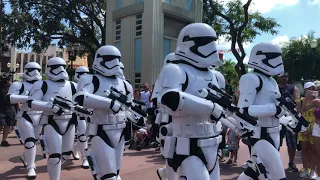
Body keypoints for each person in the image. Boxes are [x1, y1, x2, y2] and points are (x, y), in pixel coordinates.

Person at [155, 23, 249, 180]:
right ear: (188, 43)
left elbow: (223, 110)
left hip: (212, 144)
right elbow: (170, 99)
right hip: (187, 144)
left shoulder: (216, 76)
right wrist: (210, 108)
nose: (211, 47)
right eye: (205, 42)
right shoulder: (175, 70)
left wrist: (238, 124)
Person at [73, 45, 141, 180]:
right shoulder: (91, 80)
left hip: (120, 132)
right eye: (110, 59)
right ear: (100, 60)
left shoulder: (125, 85)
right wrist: (109, 104)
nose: (114, 62)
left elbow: (128, 108)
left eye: (117, 59)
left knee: (115, 174)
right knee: (109, 176)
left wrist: (137, 118)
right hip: (101, 130)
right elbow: (81, 97)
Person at [237, 42, 287, 180]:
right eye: (274, 57)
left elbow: (277, 107)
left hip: (274, 131)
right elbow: (244, 111)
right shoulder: (251, 78)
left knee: (255, 172)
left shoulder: (272, 81)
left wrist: (288, 118)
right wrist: (273, 109)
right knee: (277, 174)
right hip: (260, 134)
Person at [28, 57, 77, 180]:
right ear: (49, 69)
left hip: (69, 121)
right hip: (51, 121)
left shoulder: (72, 85)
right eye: (56, 67)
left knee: (65, 154)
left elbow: (80, 101)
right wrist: (49, 106)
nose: (60, 70)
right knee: (55, 156)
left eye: (62, 67)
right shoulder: (42, 84)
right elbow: (32, 103)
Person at [6, 62, 42, 178]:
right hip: (25, 115)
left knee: (34, 141)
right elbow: (10, 97)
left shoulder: (43, 85)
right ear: (26, 71)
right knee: (30, 141)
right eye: (32, 70)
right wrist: (29, 98)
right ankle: (31, 166)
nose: (35, 73)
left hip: (40, 116)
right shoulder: (18, 85)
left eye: (38, 70)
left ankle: (25, 157)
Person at [277, 71, 300, 172]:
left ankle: (291, 162)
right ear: (278, 77)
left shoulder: (292, 88)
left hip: (290, 119)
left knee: (292, 143)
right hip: (276, 118)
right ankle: (275, 162)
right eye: (282, 76)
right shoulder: (273, 88)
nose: (284, 78)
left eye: (286, 76)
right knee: (275, 142)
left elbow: (297, 101)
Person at [71, 66, 90, 169]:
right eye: (82, 73)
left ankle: (75, 149)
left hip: (89, 114)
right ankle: (85, 158)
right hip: (78, 114)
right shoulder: (73, 85)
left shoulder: (91, 85)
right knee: (82, 136)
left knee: (86, 136)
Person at [299, 82, 318, 179]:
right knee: (305, 149)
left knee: (314, 150)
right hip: (303, 128)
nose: (312, 91)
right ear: (305, 90)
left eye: (313, 88)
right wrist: (306, 98)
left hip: (315, 128)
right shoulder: (301, 100)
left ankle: (312, 170)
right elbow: (302, 111)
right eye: (309, 89)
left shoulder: (317, 100)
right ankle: (305, 168)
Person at [0, 73, 16, 147]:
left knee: (8, 124)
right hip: (1, 108)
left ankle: (4, 140)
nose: (9, 80)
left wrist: (17, 107)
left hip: (10, 107)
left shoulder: (12, 87)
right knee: (1, 124)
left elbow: (16, 98)